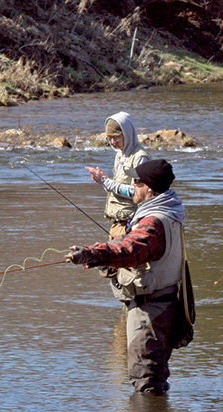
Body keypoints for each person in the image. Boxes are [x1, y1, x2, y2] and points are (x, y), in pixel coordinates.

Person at [67, 158, 186, 395]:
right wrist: (103, 254)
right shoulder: (172, 211)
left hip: (150, 312)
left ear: (149, 188)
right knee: (155, 377)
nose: (133, 184)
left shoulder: (153, 221)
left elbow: (130, 250)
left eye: (137, 181)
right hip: (166, 307)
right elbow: (133, 245)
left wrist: (92, 254)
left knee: (146, 381)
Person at [85, 112, 150, 239]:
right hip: (117, 223)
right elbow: (117, 188)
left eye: (117, 138)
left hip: (131, 224)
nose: (113, 142)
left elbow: (137, 192)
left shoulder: (140, 157)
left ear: (127, 134)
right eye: (110, 138)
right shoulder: (120, 155)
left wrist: (105, 181)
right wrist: (104, 181)